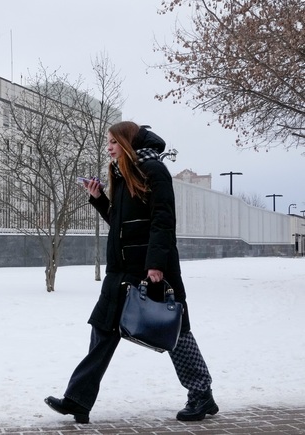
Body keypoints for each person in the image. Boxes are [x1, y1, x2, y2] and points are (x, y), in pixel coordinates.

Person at [45, 121, 218, 424]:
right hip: (120, 272)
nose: (109, 147)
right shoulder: (122, 173)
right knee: (102, 331)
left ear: (127, 141)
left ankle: (201, 394)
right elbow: (122, 222)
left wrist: (156, 264)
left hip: (150, 269)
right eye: (108, 142)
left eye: (113, 141)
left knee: (174, 331)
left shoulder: (154, 170)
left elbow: (163, 220)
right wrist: (99, 199)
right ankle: (78, 400)